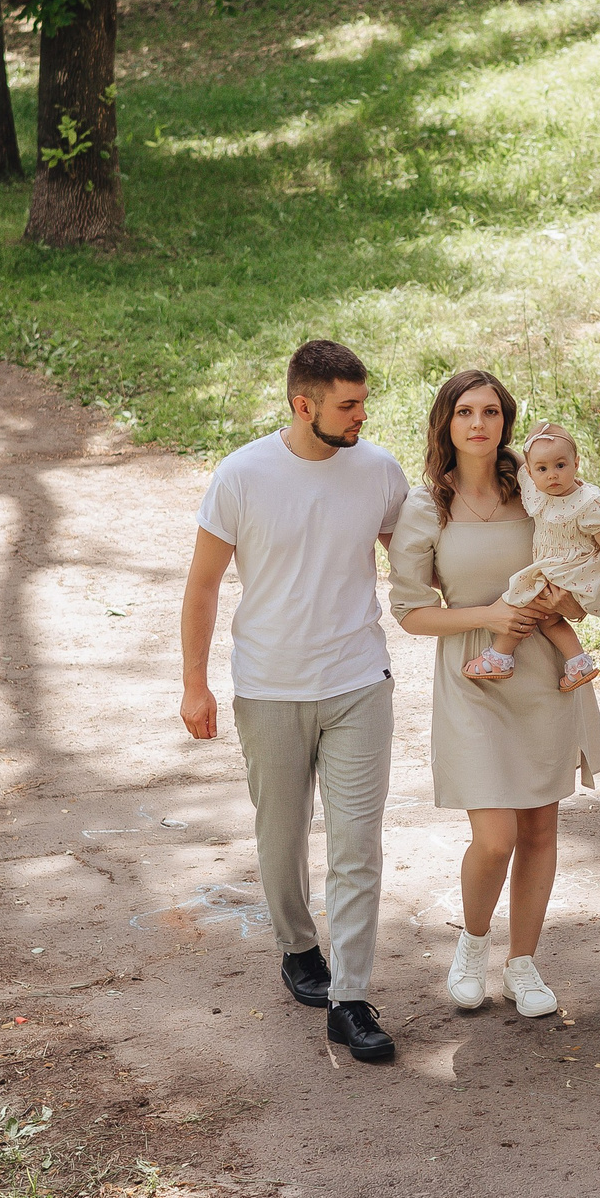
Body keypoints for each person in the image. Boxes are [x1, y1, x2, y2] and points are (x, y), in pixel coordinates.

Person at [178, 340, 410, 1064]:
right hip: (270, 685)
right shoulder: (243, 475)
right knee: (282, 834)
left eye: (364, 400)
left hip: (356, 681)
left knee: (355, 844)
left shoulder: (378, 472)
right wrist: (195, 682)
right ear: (303, 404)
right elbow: (205, 584)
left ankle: (350, 997)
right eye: (348, 404)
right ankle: (297, 945)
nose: (362, 415)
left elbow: (419, 555)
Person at [388, 370, 600, 1020]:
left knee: (540, 826)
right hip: (475, 673)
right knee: (494, 835)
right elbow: (409, 610)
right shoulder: (427, 504)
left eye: (491, 411)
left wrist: (565, 601)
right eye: (465, 411)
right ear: (446, 423)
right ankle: (471, 944)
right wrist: (486, 616)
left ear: (505, 421)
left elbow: (583, 558)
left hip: (544, 671)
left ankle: (521, 963)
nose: (479, 423)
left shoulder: (539, 487)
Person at [460, 422, 600, 692]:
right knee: (549, 619)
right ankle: (578, 662)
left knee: (520, 599)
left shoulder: (586, 501)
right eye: (542, 469)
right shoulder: (536, 489)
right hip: (551, 567)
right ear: (530, 472)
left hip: (572, 569)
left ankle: (500, 656)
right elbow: (520, 459)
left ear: (576, 464)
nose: (552, 475)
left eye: (561, 466)